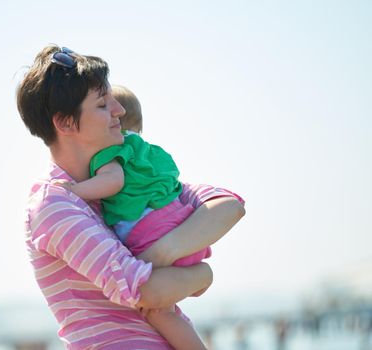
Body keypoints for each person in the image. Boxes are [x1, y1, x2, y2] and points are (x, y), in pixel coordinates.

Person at [17, 44, 246, 349]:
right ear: (65, 123)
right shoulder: (54, 203)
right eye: (102, 104)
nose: (119, 110)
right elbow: (145, 290)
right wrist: (202, 273)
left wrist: (165, 255)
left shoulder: (127, 181)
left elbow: (227, 207)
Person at [53, 85, 231, 349]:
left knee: (159, 312)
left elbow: (112, 182)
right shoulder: (150, 152)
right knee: (167, 311)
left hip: (148, 237)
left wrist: (75, 190)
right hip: (183, 232)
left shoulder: (112, 153)